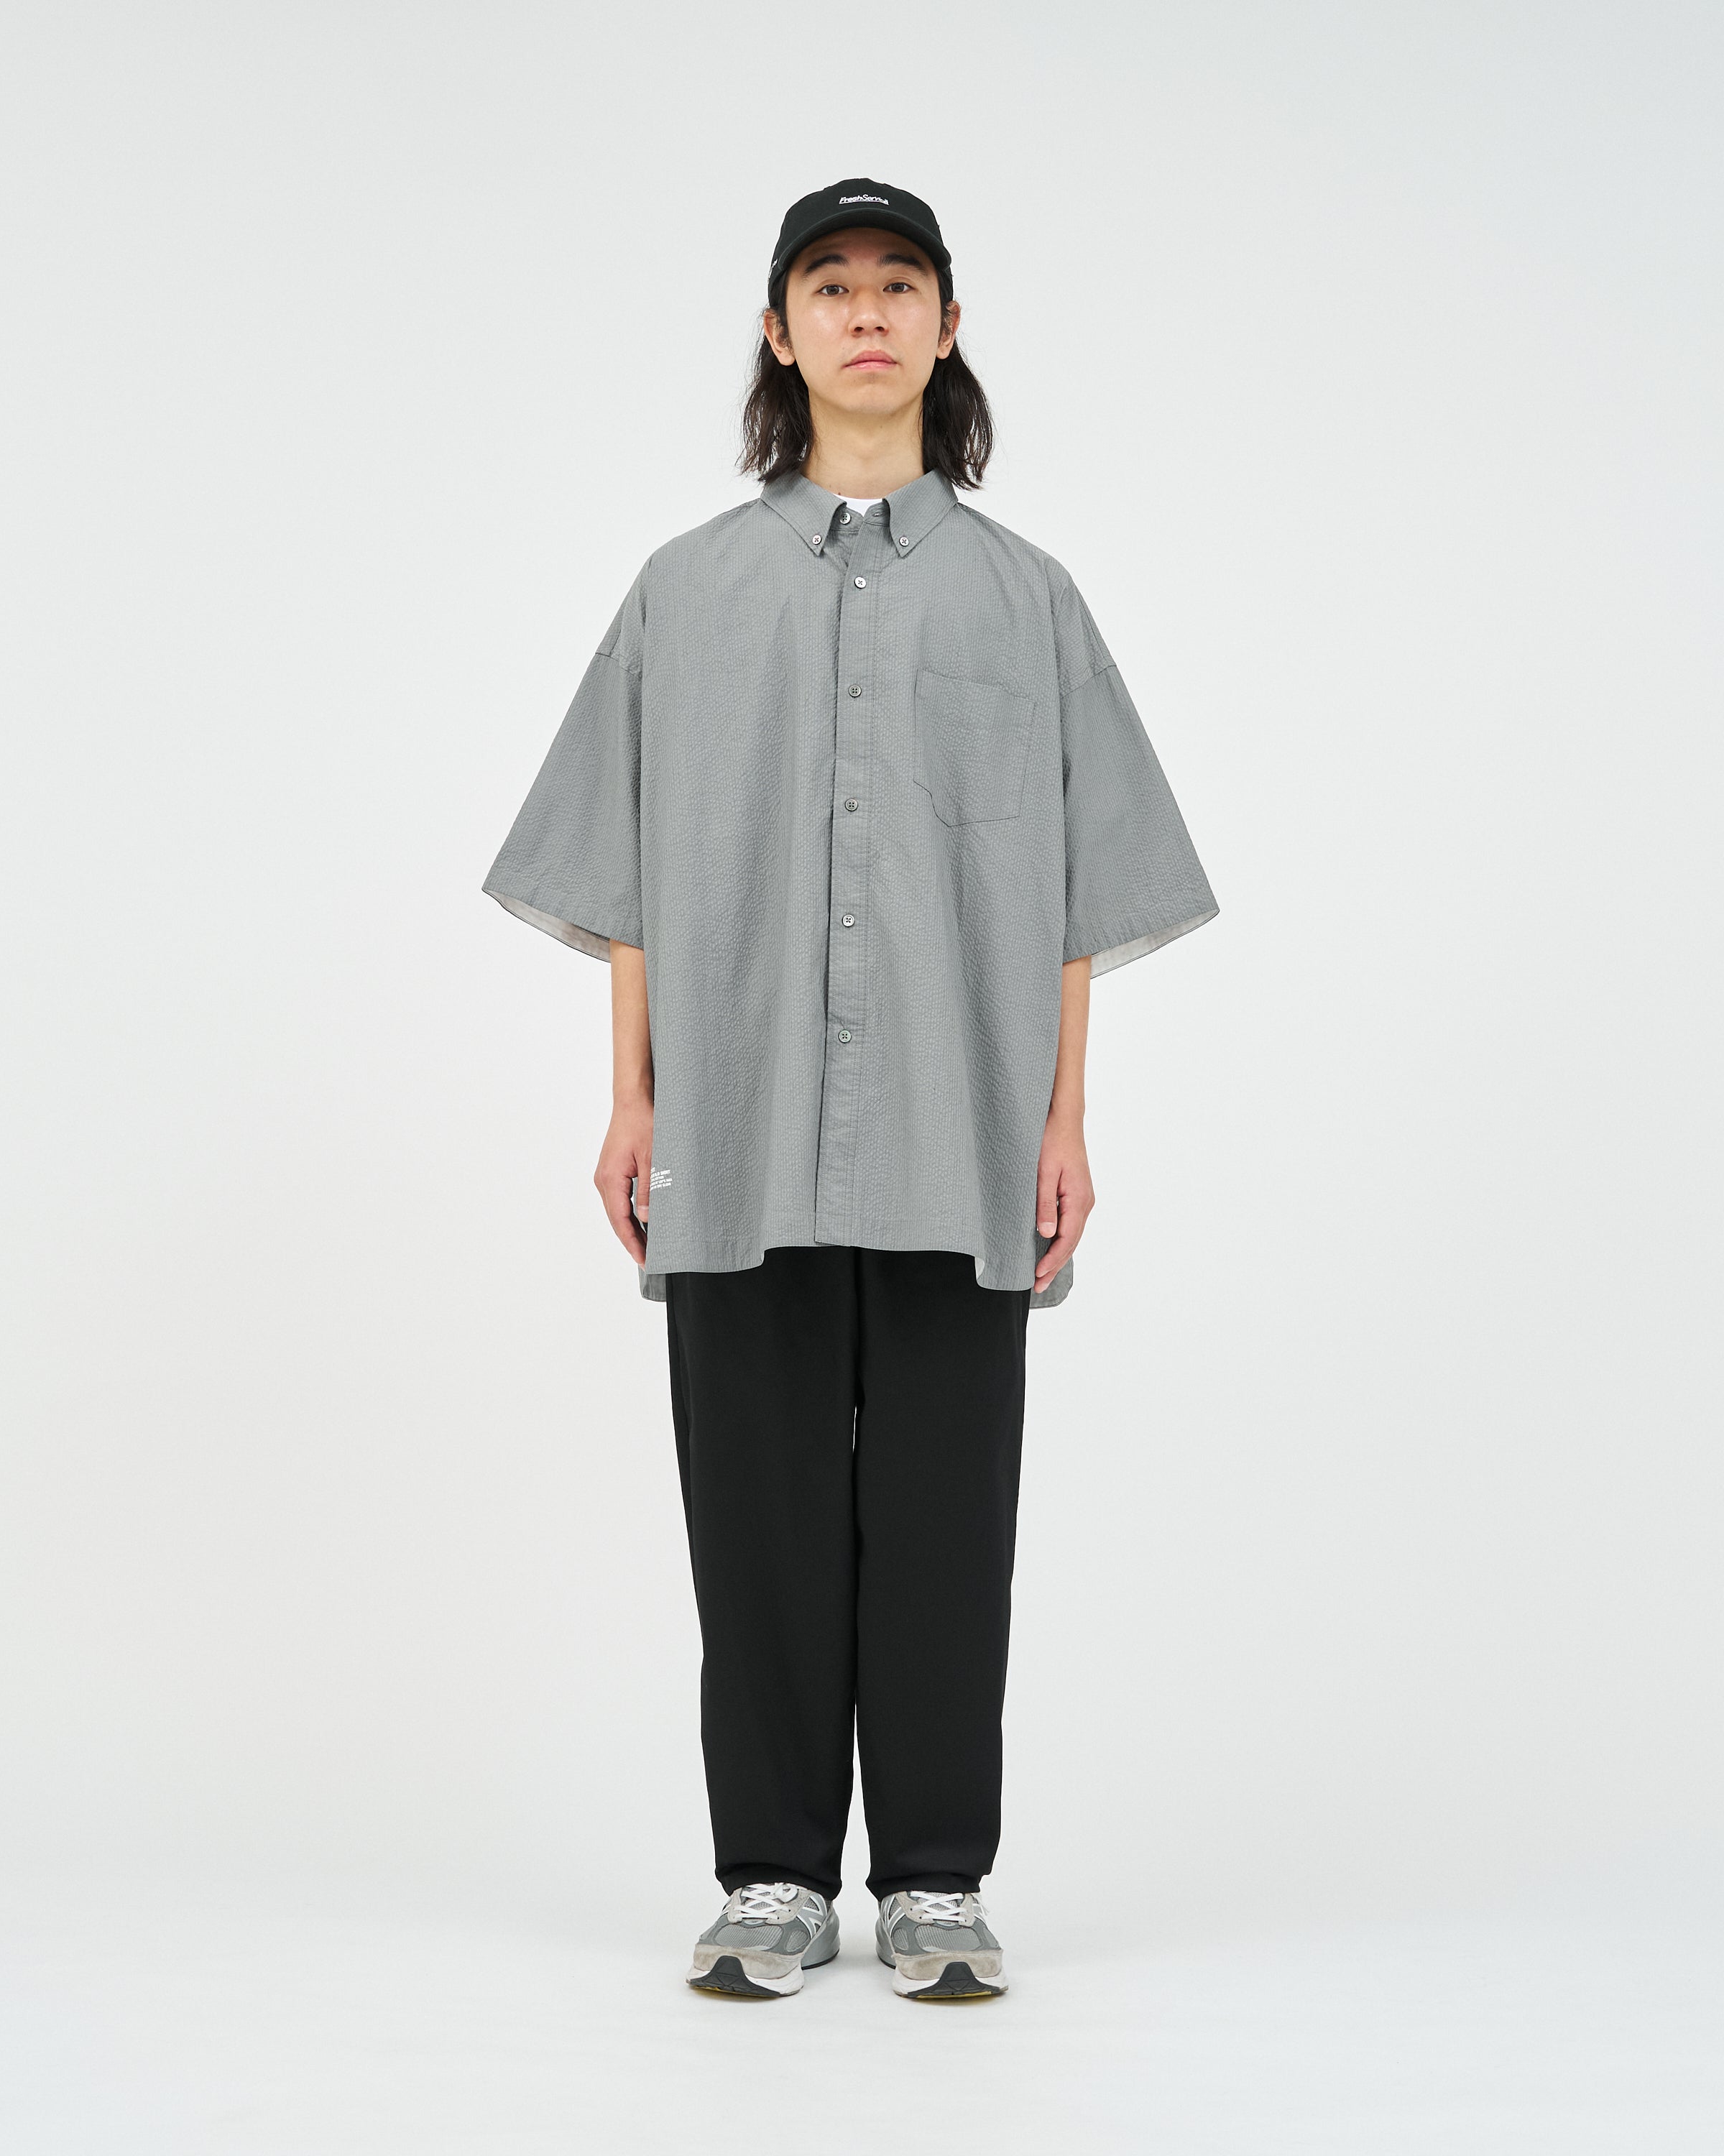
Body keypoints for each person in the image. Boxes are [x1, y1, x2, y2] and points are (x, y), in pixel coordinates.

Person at [481, 177, 1218, 2002]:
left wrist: (1063, 1120)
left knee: (954, 1511)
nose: (867, 313)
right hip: (734, 1124)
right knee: (757, 1510)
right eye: (831, 286)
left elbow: (1079, 892)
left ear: (949, 328)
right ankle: (772, 1877)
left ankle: (939, 1881)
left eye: (900, 285)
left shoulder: (1029, 599)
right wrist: (634, 1099)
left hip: (966, 1127)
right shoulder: (684, 592)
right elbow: (631, 868)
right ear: (780, 328)